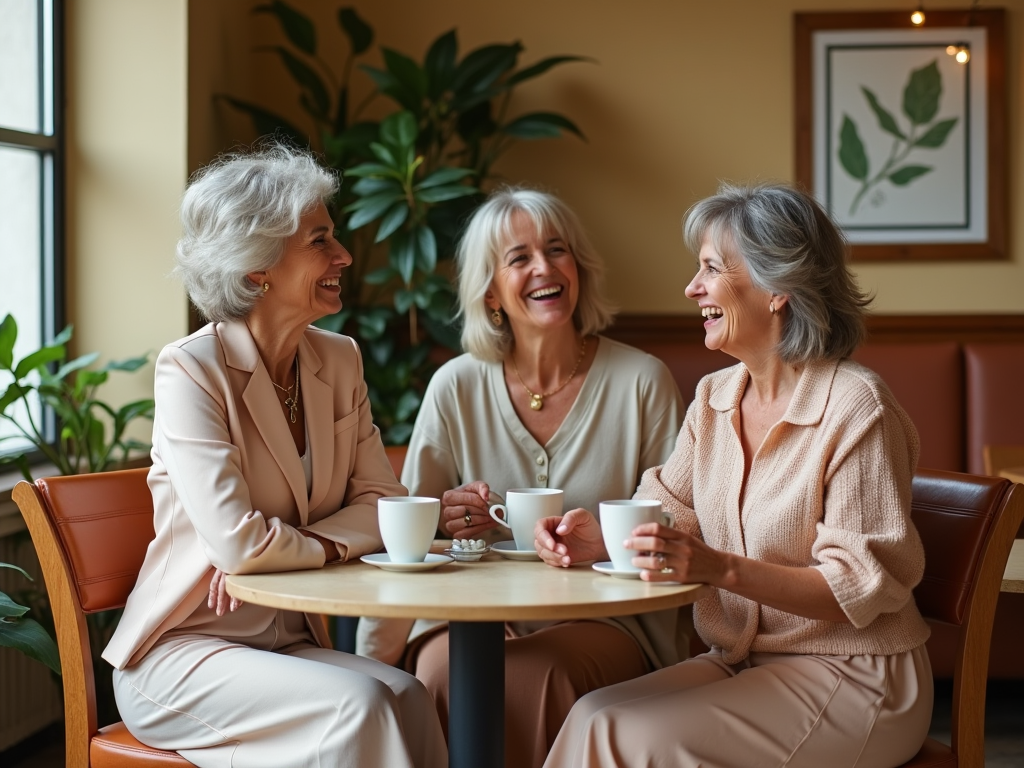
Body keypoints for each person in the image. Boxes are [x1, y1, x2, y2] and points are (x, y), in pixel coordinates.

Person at [539, 182, 933, 768]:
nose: (692, 288)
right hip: (748, 658)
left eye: (711, 269)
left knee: (635, 737)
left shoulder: (855, 406)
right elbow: (668, 507)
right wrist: (602, 537)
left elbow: (858, 585)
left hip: (857, 676)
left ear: (777, 288)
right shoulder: (715, 398)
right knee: (591, 718)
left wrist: (718, 567)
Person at [102, 146, 447, 768]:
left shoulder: (338, 359)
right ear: (257, 267)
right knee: (360, 706)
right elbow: (238, 545)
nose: (343, 255)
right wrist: (298, 545)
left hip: (285, 643)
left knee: (409, 697)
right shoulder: (191, 369)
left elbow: (384, 507)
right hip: (182, 652)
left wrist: (281, 548)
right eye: (321, 241)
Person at [356, 188, 690, 768]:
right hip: (463, 618)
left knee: (542, 673)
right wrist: (450, 521)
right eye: (520, 257)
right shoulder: (455, 386)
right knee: (445, 674)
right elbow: (407, 540)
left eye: (557, 250)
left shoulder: (642, 381)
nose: (545, 267)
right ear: (490, 290)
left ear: (578, 268)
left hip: (606, 619)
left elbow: (679, 520)